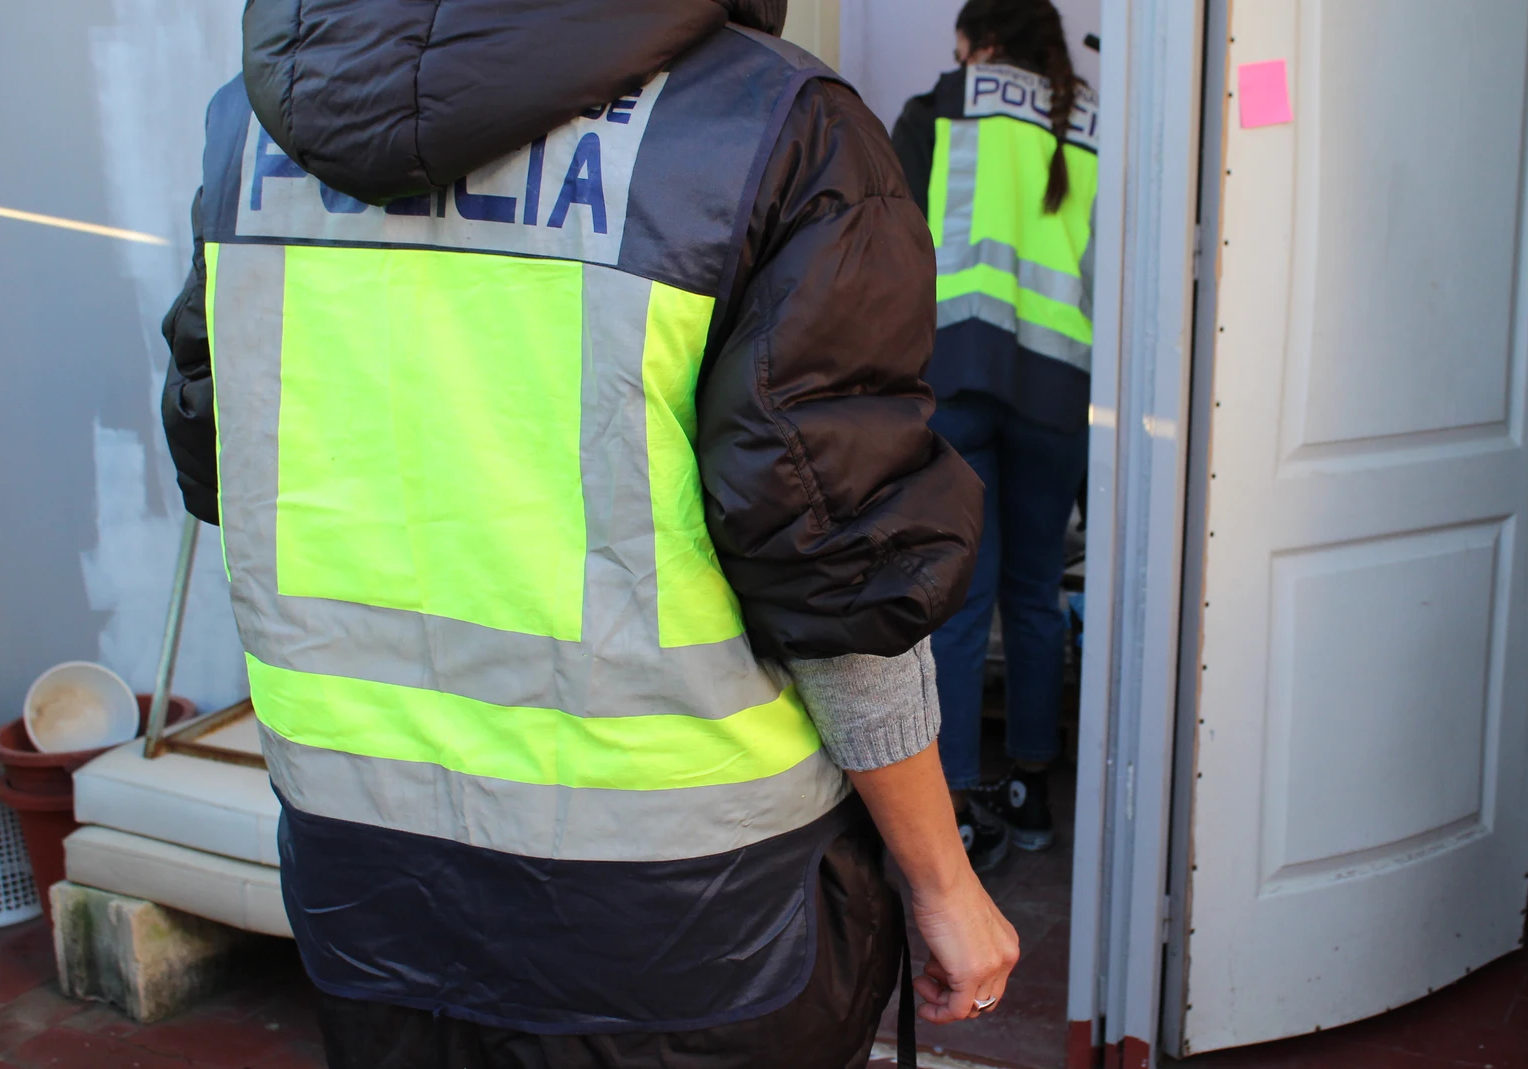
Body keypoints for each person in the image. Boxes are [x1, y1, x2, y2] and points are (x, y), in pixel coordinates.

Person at [157, 1, 1018, 1066]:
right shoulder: (770, 127)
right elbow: (835, 557)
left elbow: (217, 460)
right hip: (691, 920)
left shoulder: (254, 125)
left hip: (367, 889)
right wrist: (941, 879)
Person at [891, 0, 1099, 872]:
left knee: (962, 600)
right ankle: (1031, 787)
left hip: (961, 377)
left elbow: (889, 244)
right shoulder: (1089, 122)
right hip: (1060, 390)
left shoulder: (940, 106)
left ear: (978, 42)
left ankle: (966, 804)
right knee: (1035, 591)